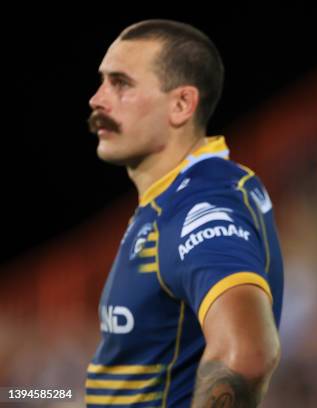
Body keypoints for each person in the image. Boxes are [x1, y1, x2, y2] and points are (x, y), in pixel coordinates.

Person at [86, 19, 283, 407]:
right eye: (102, 81)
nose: (97, 99)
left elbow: (246, 355)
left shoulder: (201, 203)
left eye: (120, 83)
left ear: (181, 104)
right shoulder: (174, 198)